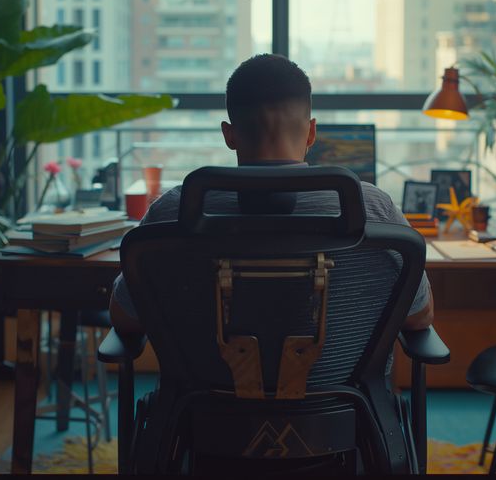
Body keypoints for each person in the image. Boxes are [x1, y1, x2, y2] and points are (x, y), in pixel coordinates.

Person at [108, 53, 435, 341]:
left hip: (207, 408)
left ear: (229, 135)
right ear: (312, 133)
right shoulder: (372, 208)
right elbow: (419, 316)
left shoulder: (174, 211)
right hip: (340, 408)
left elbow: (125, 317)